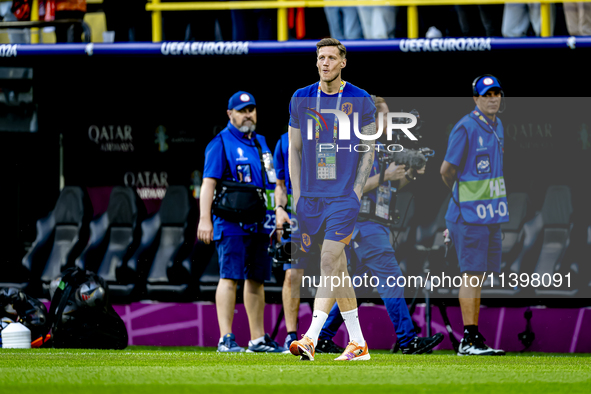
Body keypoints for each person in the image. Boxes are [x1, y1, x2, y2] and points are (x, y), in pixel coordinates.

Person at [318, 97, 444, 355]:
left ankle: (321, 337)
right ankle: (408, 341)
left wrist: (409, 174)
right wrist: (387, 175)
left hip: (373, 223)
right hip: (364, 224)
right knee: (392, 278)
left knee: (358, 286)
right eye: (384, 116)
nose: (389, 122)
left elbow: (388, 186)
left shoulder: (380, 148)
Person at [287, 38, 376, 361]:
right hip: (310, 198)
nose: (324, 63)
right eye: (320, 57)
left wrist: (356, 191)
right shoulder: (300, 98)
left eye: (331, 58)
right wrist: (297, 195)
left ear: (343, 63)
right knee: (338, 266)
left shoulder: (361, 99)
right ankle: (358, 342)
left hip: (342, 197)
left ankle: (310, 337)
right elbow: (294, 151)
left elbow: (369, 148)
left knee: (328, 259)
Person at [198, 91, 285, 353]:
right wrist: (204, 219)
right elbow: (208, 184)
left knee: (256, 280)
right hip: (229, 221)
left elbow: (274, 183)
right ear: (230, 114)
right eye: (242, 110)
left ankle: (257, 339)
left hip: (258, 222)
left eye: (251, 109)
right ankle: (226, 338)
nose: (248, 114)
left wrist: (278, 213)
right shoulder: (220, 142)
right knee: (229, 278)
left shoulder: (261, 142)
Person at [440, 75, 508, 356]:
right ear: (476, 99)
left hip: (489, 215)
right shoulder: (465, 126)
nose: (492, 98)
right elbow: (446, 171)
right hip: (468, 216)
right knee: (470, 275)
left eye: (496, 93)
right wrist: (462, 203)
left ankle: (474, 338)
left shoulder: (498, 125)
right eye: (486, 94)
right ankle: (468, 340)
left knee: (478, 276)